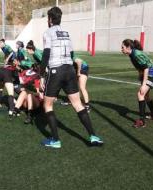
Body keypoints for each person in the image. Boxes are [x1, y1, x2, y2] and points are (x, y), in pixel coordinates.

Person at [40, 7, 103, 148]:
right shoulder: (67, 33)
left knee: (48, 105)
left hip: (56, 70)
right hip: (69, 69)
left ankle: (55, 140)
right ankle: (93, 136)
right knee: (77, 104)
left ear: (50, 19)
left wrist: (41, 75)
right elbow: (72, 53)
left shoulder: (47, 32)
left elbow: (46, 55)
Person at [121, 39, 153, 128]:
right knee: (146, 96)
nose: (121, 49)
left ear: (128, 47)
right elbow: (141, 67)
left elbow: (146, 68)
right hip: (146, 73)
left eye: (123, 47)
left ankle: (142, 121)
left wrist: (144, 84)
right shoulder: (132, 54)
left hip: (151, 73)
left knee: (140, 94)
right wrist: (140, 75)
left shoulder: (136, 54)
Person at [0, 39, 17, 118]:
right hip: (7, 71)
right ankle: (11, 110)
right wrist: (7, 59)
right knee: (11, 93)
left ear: (4, 43)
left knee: (1, 88)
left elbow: (12, 52)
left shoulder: (7, 47)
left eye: (0, 43)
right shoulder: (3, 48)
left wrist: (7, 59)